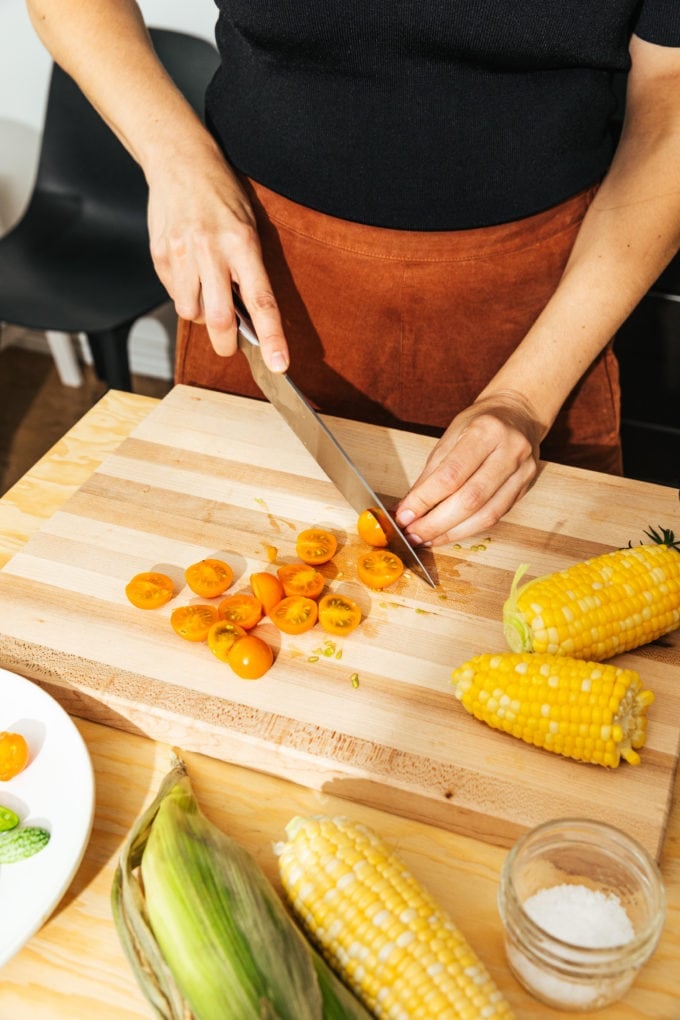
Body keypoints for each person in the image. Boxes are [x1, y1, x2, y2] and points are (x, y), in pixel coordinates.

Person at [26, 2, 680, 546]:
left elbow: (670, 96)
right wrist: (176, 160)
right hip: (271, 278)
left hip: (543, 302)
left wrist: (526, 400)